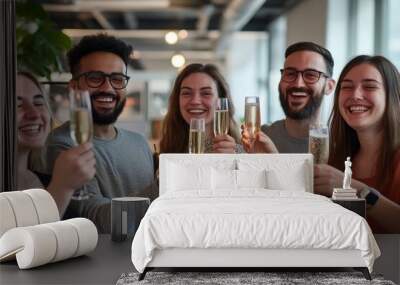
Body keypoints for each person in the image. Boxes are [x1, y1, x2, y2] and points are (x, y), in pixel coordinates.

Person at [44, 34, 157, 233]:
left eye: (117, 79)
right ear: (74, 87)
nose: (108, 88)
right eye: (95, 78)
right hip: (103, 264)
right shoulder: (63, 146)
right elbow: (97, 220)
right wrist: (160, 187)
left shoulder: (139, 143)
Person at [314, 55, 400, 233]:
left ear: (392, 96)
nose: (355, 95)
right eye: (347, 87)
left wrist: (354, 189)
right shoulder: (336, 157)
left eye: (369, 86)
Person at [16, 71, 95, 217]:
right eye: (17, 105)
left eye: (39, 103)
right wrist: (62, 187)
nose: (33, 114)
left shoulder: (40, 179)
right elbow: (26, 237)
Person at [242, 41, 336, 153]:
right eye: (290, 74)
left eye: (310, 75)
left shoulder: (340, 143)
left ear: (329, 86)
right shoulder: (258, 138)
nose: (298, 84)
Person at [160, 63, 242, 154]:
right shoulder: (168, 150)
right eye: (187, 93)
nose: (195, 101)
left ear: (220, 101)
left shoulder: (241, 154)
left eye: (206, 93)